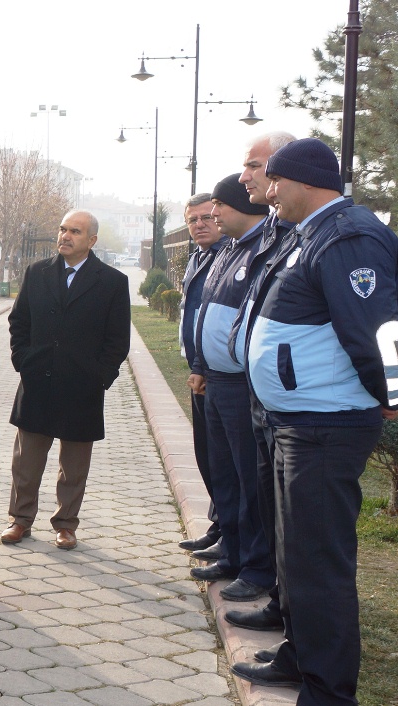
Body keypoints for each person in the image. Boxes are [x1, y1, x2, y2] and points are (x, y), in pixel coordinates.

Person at [230, 139, 398, 705]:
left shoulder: (350, 236)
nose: (268, 192)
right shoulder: (315, 232)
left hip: (328, 427)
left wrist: (392, 399)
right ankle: (299, 657)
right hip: (297, 421)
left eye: (274, 180)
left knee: (319, 564)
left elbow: (374, 333)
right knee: (292, 555)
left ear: (304, 180)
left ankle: (328, 692)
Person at [0, 210, 130, 550]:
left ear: (92, 240)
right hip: (37, 381)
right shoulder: (37, 273)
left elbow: (117, 340)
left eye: (75, 231)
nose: (65, 236)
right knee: (25, 462)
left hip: (82, 387)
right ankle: (20, 519)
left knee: (73, 468)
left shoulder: (112, 282)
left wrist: (100, 376)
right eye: (62, 229)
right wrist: (22, 360)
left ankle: (66, 524)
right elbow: (20, 322)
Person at [188, 175, 274, 604]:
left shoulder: (264, 247)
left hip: (243, 384)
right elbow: (207, 315)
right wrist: (202, 365)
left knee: (248, 479)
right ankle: (232, 550)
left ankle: (256, 566)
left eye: (219, 205)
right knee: (224, 472)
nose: (213, 214)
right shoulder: (229, 251)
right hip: (218, 379)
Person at [224, 131, 296, 636]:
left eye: (253, 165)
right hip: (263, 396)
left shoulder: (332, 236)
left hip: (309, 413)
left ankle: (315, 665)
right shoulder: (278, 230)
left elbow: (364, 329)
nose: (246, 175)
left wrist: (385, 397)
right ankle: (277, 598)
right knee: (268, 507)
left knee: (305, 538)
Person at [177, 193, 225, 557]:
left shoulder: (229, 255)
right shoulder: (197, 258)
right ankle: (219, 524)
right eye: (193, 220)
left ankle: (230, 534)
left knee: (224, 460)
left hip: (218, 374)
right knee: (207, 455)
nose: (199, 225)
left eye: (207, 217)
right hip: (200, 372)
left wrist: (203, 367)